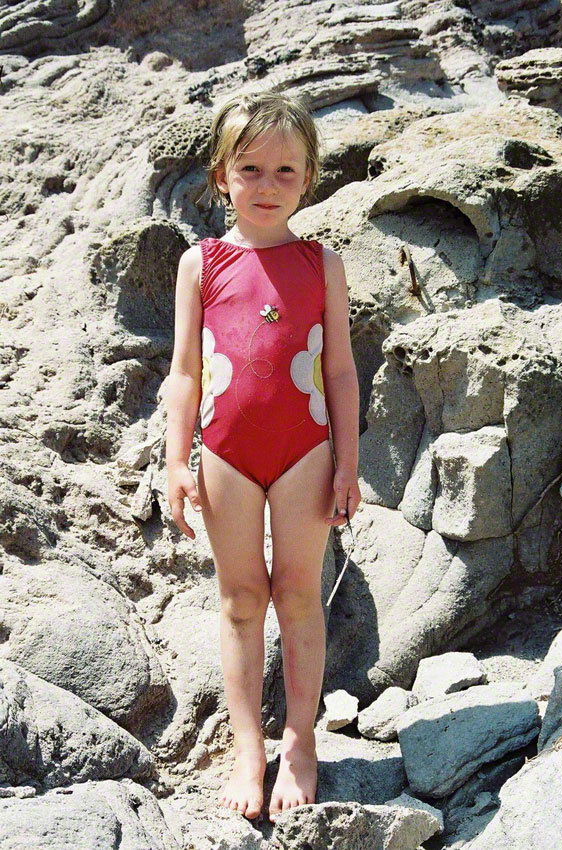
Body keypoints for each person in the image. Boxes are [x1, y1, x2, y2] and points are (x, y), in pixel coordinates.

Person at [165, 91, 361, 822]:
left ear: (308, 179)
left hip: (305, 449)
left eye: (285, 170)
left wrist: (346, 461)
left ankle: (301, 739)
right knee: (242, 598)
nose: (267, 185)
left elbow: (338, 370)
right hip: (224, 452)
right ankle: (249, 746)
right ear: (221, 177)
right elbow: (185, 371)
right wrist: (173, 461)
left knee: (299, 593)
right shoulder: (201, 262)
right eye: (250, 169)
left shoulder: (322, 263)